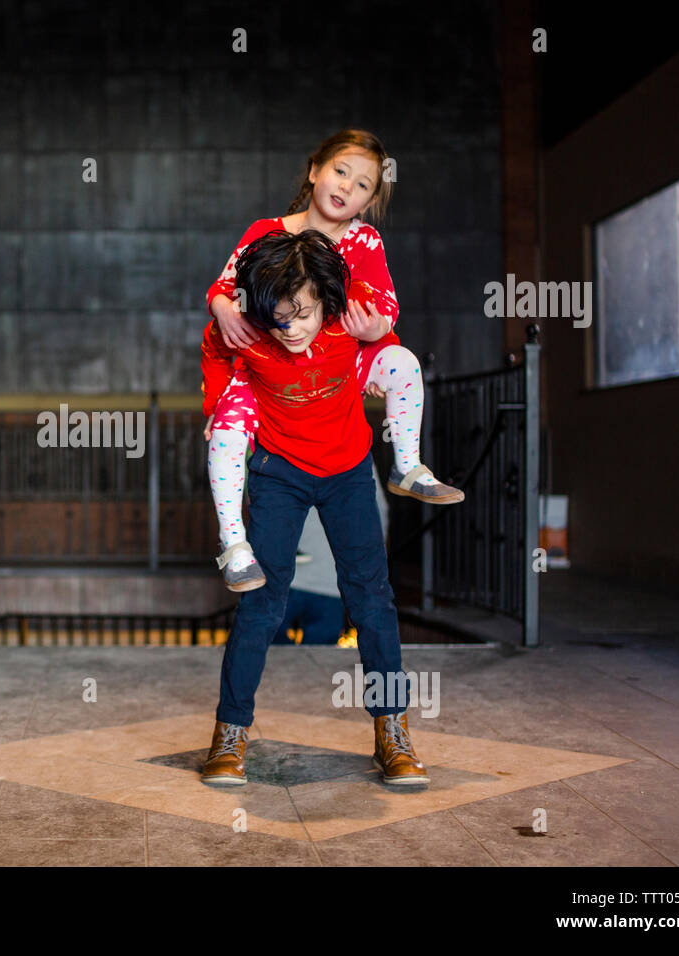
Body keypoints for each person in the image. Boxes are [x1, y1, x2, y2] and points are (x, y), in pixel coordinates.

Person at [198, 227, 428, 788]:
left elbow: (391, 349)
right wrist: (215, 406)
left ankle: (392, 732)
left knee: (372, 601)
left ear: (325, 301)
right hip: (279, 474)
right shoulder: (249, 333)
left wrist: (379, 347)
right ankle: (230, 733)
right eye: (279, 318)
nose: (291, 330)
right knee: (260, 605)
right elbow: (213, 349)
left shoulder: (346, 326)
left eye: (301, 315)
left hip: (347, 471)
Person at [204, 128, 462, 594]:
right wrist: (223, 307)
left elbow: (386, 308)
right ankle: (235, 545)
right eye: (340, 172)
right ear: (314, 171)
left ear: (368, 201)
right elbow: (224, 287)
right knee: (224, 431)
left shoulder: (365, 242)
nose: (347, 186)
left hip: (343, 367)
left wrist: (376, 331)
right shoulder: (267, 233)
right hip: (269, 375)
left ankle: (406, 464)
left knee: (403, 362)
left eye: (362, 184)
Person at [272, 462, 388, 647]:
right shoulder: (358, 455)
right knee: (319, 654)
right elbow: (377, 514)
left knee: (266, 642)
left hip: (294, 575)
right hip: (329, 579)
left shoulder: (292, 447)